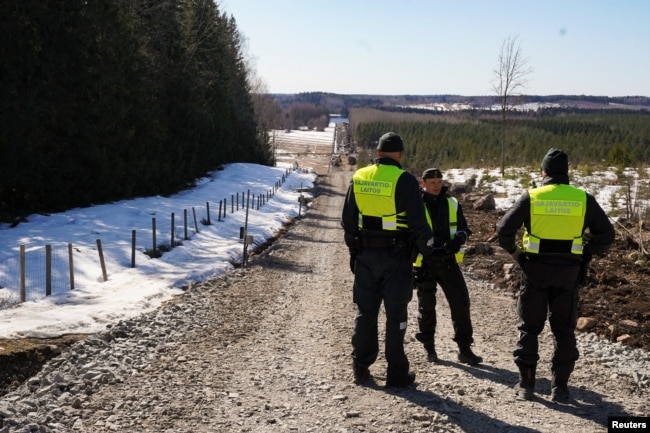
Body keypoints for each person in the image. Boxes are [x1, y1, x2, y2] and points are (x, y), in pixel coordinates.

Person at [496, 148, 615, 402]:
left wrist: (516, 253)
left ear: (544, 172)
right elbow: (607, 235)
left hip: (535, 271)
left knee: (529, 328)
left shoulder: (532, 196)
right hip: (568, 274)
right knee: (564, 331)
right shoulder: (583, 198)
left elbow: (504, 230)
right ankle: (560, 388)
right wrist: (586, 253)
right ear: (567, 172)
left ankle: (527, 385)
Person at [341, 132, 434, 388]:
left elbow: (348, 221)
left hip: (366, 257)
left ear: (378, 154)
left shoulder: (359, 177)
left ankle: (360, 367)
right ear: (401, 155)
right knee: (396, 315)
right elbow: (419, 225)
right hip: (397, 259)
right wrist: (428, 257)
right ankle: (397, 373)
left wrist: (353, 252)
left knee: (365, 312)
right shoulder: (405, 180)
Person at [412, 168, 483, 365]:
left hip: (448, 261)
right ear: (423, 184)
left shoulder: (452, 203)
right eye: (431, 182)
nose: (436, 185)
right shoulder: (416, 204)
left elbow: (464, 229)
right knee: (426, 307)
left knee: (461, 304)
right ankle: (429, 348)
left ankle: (464, 349)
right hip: (425, 263)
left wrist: (458, 239)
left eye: (438, 181)